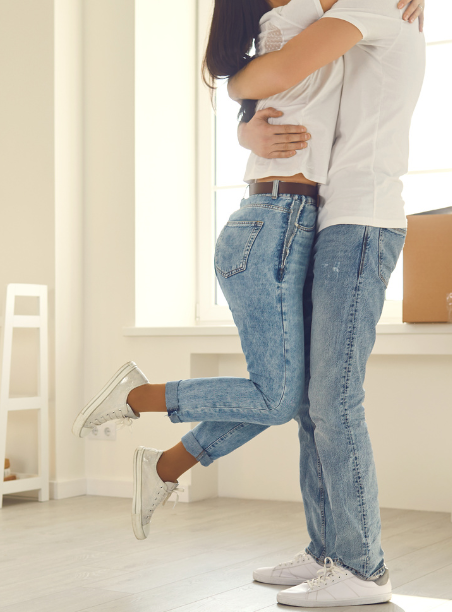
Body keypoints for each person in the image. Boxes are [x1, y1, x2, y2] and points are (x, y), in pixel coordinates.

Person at [72, 0, 344, 539]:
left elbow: (254, 89)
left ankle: (165, 466)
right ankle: (138, 398)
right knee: (278, 396)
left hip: (283, 225)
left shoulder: (290, 29)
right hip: (273, 224)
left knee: (282, 393)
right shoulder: (296, 19)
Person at [228, 0, 427, 607]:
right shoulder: (354, 17)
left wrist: (229, 81)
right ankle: (326, 551)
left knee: (333, 399)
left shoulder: (370, 8)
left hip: (362, 222)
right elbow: (297, 88)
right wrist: (245, 128)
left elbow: (278, 71)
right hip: (337, 217)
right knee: (315, 404)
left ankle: (364, 569)